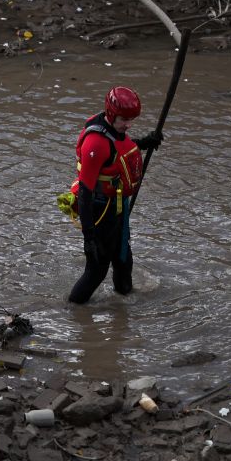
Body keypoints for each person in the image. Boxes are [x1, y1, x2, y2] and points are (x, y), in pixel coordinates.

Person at [67, 86, 163, 304]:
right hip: (99, 211)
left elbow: (118, 149)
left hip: (116, 206)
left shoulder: (113, 130)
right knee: (96, 271)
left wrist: (143, 143)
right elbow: (85, 192)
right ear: (111, 114)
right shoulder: (95, 143)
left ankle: (124, 305)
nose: (128, 125)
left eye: (132, 120)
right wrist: (88, 238)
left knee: (123, 260)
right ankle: (72, 311)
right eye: (124, 120)